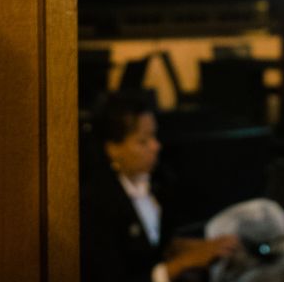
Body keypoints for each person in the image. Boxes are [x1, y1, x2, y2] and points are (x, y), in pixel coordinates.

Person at [80, 92, 240, 282]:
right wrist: (182, 263)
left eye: (154, 136)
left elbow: (154, 245)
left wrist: (197, 247)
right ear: (112, 148)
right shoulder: (95, 201)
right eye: (143, 141)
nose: (156, 146)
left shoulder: (157, 182)